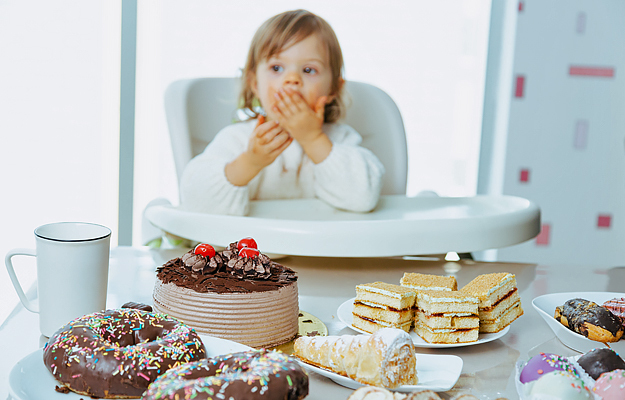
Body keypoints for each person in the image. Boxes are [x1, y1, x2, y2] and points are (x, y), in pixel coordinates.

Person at [180, 9, 385, 216]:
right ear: (254, 84)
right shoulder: (238, 140)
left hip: (319, 248)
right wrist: (250, 162)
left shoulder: (340, 139)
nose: (292, 79)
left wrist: (313, 139)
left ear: (334, 89)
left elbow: (364, 197)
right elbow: (195, 200)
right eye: (277, 68)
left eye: (308, 70)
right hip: (256, 246)